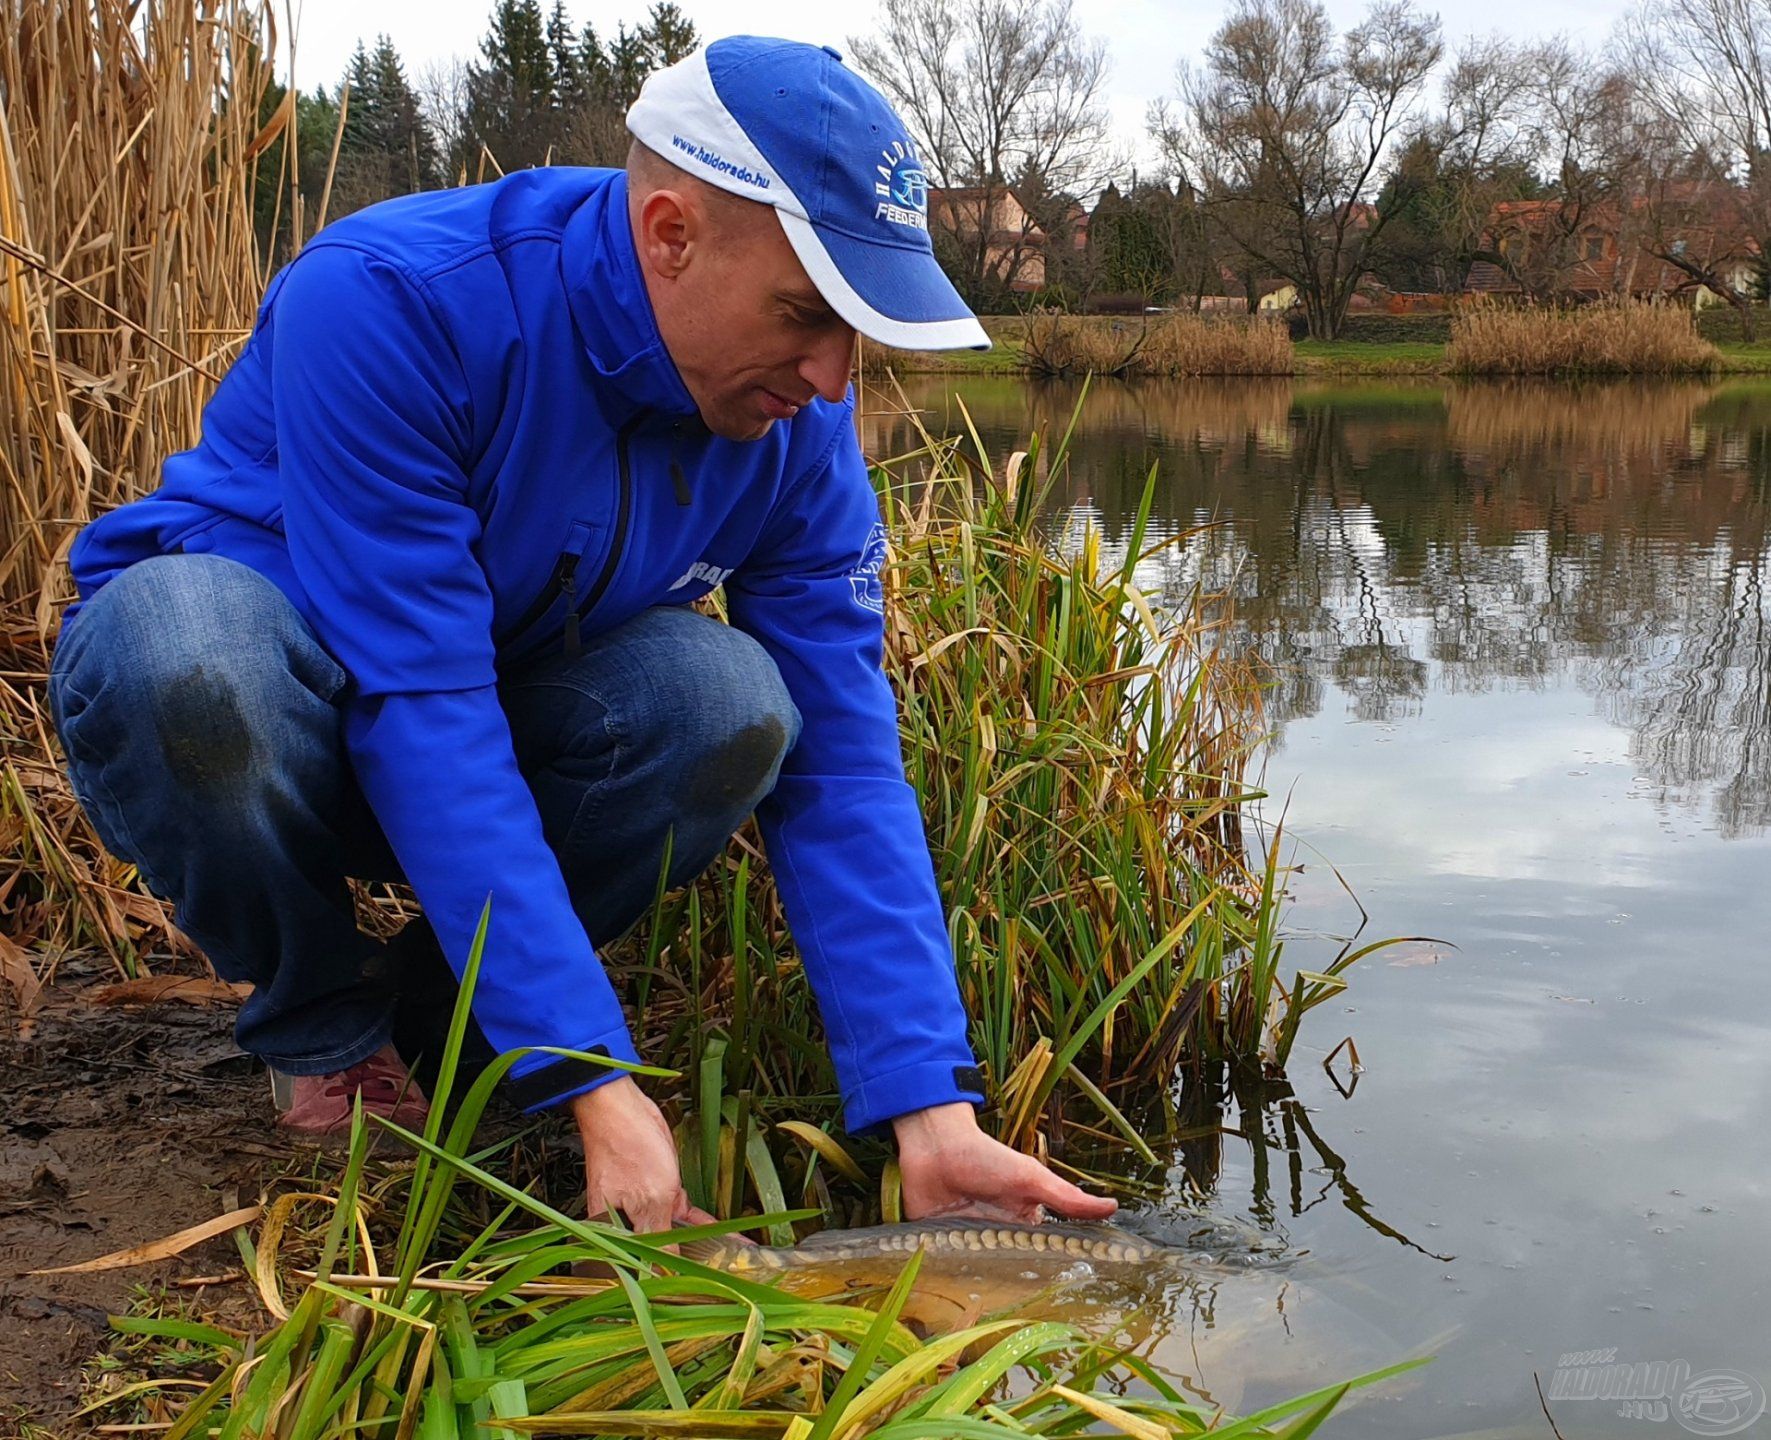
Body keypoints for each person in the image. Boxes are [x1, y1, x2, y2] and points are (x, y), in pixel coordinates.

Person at [46, 36, 1115, 1235]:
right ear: (670, 234)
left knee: (735, 705)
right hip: (270, 718)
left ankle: (436, 1031)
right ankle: (324, 1029)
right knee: (184, 656)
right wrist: (588, 1077)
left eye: (853, 330)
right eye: (805, 313)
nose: (832, 376)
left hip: (491, 713)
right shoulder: (396, 300)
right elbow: (423, 704)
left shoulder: (793, 418)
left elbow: (843, 761)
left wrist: (932, 1110)